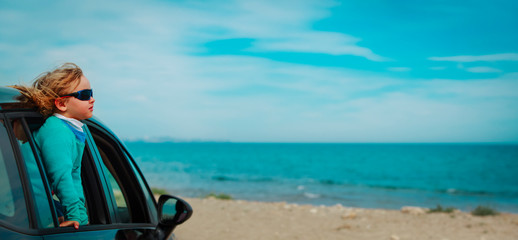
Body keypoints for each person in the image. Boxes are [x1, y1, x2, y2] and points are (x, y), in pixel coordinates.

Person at [10, 63, 95, 229]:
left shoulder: (74, 129)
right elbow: (62, 177)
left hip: (38, 198)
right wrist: (74, 216)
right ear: (61, 104)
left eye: (91, 93)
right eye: (84, 95)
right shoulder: (57, 131)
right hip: (26, 200)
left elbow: (74, 176)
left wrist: (81, 216)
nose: (92, 99)